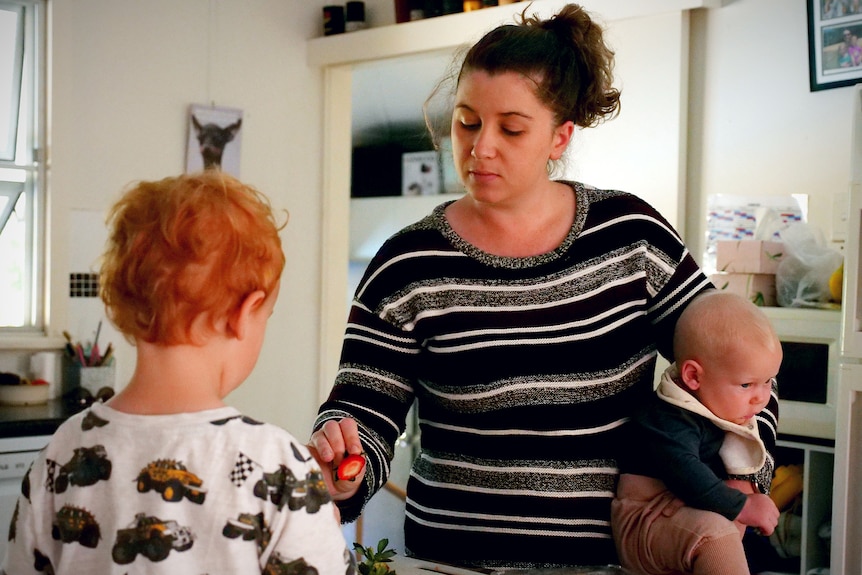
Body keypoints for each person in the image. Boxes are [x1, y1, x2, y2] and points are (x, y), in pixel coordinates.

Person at [309, 3, 778, 569]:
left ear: (560, 137)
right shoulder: (407, 262)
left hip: (606, 559)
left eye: (511, 128)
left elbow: (739, 361)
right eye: (467, 121)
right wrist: (339, 463)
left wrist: (745, 473)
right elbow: (364, 410)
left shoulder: (631, 238)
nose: (481, 147)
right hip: (456, 561)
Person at [3, 172, 352, 574]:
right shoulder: (280, 467)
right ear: (244, 314)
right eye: (266, 316)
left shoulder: (61, 455)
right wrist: (323, 522)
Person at [611, 291, 781, 575]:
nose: (761, 398)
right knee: (716, 536)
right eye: (746, 385)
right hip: (645, 520)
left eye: (767, 382)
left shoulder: (712, 400)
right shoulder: (668, 418)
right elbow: (685, 472)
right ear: (693, 376)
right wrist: (742, 505)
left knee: (727, 529)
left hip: (677, 513)